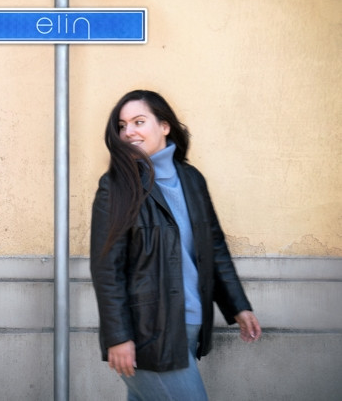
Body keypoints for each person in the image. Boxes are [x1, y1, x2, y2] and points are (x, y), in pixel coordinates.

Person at [90, 90, 261, 401]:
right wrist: (118, 336)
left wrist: (238, 305)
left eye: (139, 121)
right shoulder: (116, 185)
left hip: (191, 324)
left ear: (165, 126)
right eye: (122, 125)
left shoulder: (191, 179)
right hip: (148, 333)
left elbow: (214, 247)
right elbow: (107, 269)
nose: (128, 132)